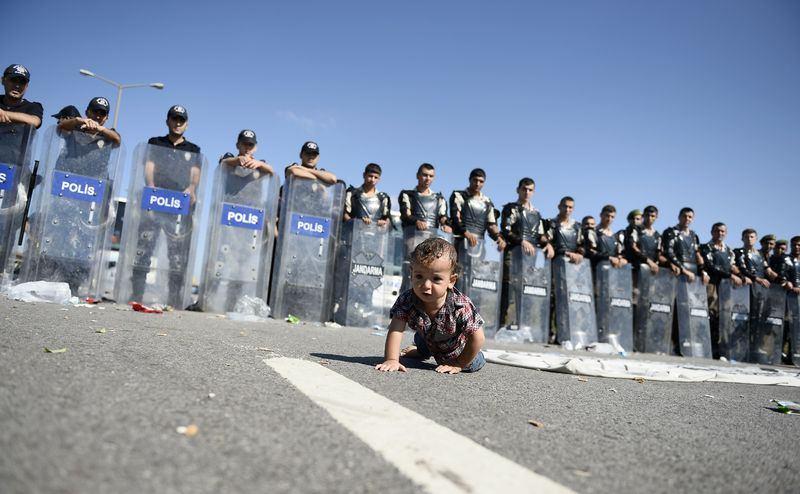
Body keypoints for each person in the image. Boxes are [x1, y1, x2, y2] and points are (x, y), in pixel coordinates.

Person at [29, 97, 121, 294]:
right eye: (94, 112)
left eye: (101, 114)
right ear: (87, 112)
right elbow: (61, 127)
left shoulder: (107, 136)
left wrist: (99, 129)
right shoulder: (73, 131)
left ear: (106, 118)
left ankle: (74, 285)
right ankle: (47, 280)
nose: (97, 116)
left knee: (81, 244)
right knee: (56, 237)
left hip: (89, 201)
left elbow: (117, 140)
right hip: (65, 195)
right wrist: (80, 122)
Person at [375, 237, 486, 374]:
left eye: (436, 279)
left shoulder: (460, 305)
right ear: (411, 274)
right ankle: (421, 351)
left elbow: (478, 338)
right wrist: (391, 359)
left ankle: (463, 359)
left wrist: (458, 364)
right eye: (419, 276)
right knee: (423, 332)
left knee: (473, 363)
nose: (426, 285)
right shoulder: (407, 299)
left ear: (451, 281)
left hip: (459, 351)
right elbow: (396, 329)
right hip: (428, 338)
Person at [129, 105, 202, 307]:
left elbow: (195, 173)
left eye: (181, 120)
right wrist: (150, 187)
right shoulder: (155, 143)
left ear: (186, 124)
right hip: (155, 201)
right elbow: (149, 166)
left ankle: (174, 300)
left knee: (177, 255)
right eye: (174, 119)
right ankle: (136, 295)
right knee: (144, 249)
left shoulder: (193, 150)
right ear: (167, 120)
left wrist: (192, 189)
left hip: (178, 206)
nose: (177, 123)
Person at [499, 177, 553, 325]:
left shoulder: (536, 214)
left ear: (533, 192)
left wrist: (548, 244)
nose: (527, 192)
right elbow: (505, 230)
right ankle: (502, 324)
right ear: (518, 190)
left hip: (530, 258)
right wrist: (521, 241)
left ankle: (523, 325)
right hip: (512, 254)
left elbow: (540, 235)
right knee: (508, 289)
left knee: (526, 290)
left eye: (530, 190)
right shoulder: (511, 208)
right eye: (524, 189)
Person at [700, 222, 744, 358]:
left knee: (724, 317)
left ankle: (720, 348)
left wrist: (742, 276)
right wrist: (731, 275)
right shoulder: (706, 248)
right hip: (712, 285)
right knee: (710, 315)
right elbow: (711, 266)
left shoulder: (728, 250)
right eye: (717, 231)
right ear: (712, 232)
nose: (720, 234)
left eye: (723, 231)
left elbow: (732, 266)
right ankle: (707, 346)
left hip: (726, 288)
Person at [449, 168, 505, 251]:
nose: (477, 184)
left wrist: (499, 238)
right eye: (475, 180)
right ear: (470, 179)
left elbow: (492, 224)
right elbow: (455, 218)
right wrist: (467, 233)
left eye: (481, 181)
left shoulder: (487, 202)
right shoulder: (458, 196)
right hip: (459, 243)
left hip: (479, 246)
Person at [0, 64, 43, 164]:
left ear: (27, 86)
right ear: (3, 80)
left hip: (16, 169)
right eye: (13, 80)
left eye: (22, 82)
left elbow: (35, 121)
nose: (17, 85)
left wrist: (4, 114)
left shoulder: (33, 107)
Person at [398, 163, 451, 233]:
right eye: (425, 175)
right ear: (417, 175)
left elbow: (443, 216)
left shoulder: (439, 198)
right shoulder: (407, 195)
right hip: (411, 238)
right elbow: (406, 215)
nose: (428, 178)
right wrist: (416, 222)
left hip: (432, 239)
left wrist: (446, 224)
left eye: (431, 176)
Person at [662, 207, 708, 284]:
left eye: (690, 217)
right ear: (679, 217)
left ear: (692, 219)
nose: (687, 219)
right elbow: (669, 252)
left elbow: (698, 255)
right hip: (677, 271)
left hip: (693, 273)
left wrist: (703, 271)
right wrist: (684, 270)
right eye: (684, 216)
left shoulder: (694, 236)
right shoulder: (670, 232)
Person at [585, 205, 628, 269]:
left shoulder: (615, 236)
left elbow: (619, 253)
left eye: (612, 217)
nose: (609, 219)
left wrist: (622, 259)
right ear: (601, 215)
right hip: (596, 271)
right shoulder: (592, 232)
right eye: (607, 216)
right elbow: (590, 252)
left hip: (612, 272)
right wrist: (608, 258)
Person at [545, 196, 584, 263]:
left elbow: (581, 245)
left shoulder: (577, 226)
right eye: (565, 206)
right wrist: (564, 253)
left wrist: (580, 254)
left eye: (570, 207)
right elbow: (546, 243)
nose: (567, 209)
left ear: (573, 209)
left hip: (573, 264)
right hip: (555, 263)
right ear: (559, 206)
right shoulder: (550, 223)